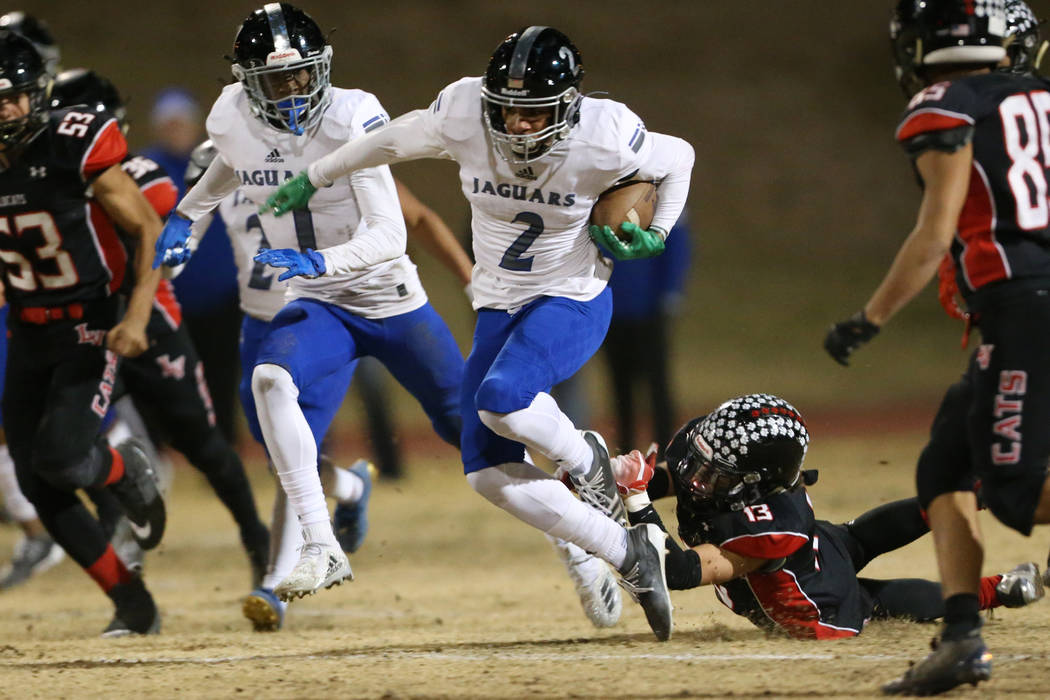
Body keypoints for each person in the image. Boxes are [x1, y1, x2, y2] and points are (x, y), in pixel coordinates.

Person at [262, 25, 695, 641]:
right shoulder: (464, 113)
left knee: (502, 400)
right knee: (486, 474)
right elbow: (386, 140)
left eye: (532, 113)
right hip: (498, 303)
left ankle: (586, 458)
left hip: (570, 296)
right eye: (508, 110)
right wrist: (318, 175)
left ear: (567, 106)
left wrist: (662, 231)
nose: (517, 126)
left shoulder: (603, 132)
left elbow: (679, 156)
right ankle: (628, 556)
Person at [153, 3, 465, 605]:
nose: (292, 92)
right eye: (274, 81)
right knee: (271, 384)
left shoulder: (353, 115)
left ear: (322, 69)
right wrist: (188, 214)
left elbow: (392, 234)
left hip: (386, 294)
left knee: (475, 429)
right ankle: (321, 546)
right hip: (316, 299)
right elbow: (231, 160)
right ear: (248, 84)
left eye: (300, 76)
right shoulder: (231, 116)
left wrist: (321, 261)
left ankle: (579, 543)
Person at [823, 1, 1050, 693]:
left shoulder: (945, 103)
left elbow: (935, 231)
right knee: (944, 465)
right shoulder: (1041, 99)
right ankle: (960, 639)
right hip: (1025, 306)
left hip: (1025, 307)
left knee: (1016, 494)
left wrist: (869, 317)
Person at [177, 138, 473, 631]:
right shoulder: (222, 186)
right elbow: (187, 233)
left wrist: (469, 278)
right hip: (260, 324)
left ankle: (275, 585)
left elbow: (413, 218)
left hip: (322, 314)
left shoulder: (320, 171)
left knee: (302, 440)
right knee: (283, 457)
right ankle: (351, 487)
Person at [49, 67, 271, 586]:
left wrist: (137, 313)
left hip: (152, 326)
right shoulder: (43, 182)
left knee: (205, 445)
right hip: (88, 331)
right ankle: (124, 555)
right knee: (69, 446)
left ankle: (255, 537)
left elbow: (163, 253)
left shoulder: (140, 173)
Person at [610, 393, 1044, 641]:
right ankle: (971, 494)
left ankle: (999, 590)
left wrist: (635, 499)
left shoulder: (766, 529)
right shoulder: (729, 470)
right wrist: (602, 478)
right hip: (824, 544)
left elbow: (676, 569)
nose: (692, 476)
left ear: (757, 480)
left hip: (814, 603)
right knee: (859, 538)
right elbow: (671, 479)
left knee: (873, 598)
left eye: (713, 473)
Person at [0, 32, 166, 635]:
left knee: (65, 459)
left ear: (38, 93)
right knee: (35, 483)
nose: (6, 111)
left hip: (88, 325)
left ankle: (126, 471)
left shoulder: (72, 146)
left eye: (14, 97)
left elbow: (147, 226)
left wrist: (137, 315)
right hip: (27, 332)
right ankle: (132, 603)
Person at [143, 87, 242, 445]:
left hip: (223, 297)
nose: (175, 130)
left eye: (181, 123)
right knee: (164, 377)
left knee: (222, 376)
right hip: (169, 298)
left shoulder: (221, 161)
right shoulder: (146, 169)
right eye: (168, 124)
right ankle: (163, 453)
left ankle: (223, 447)